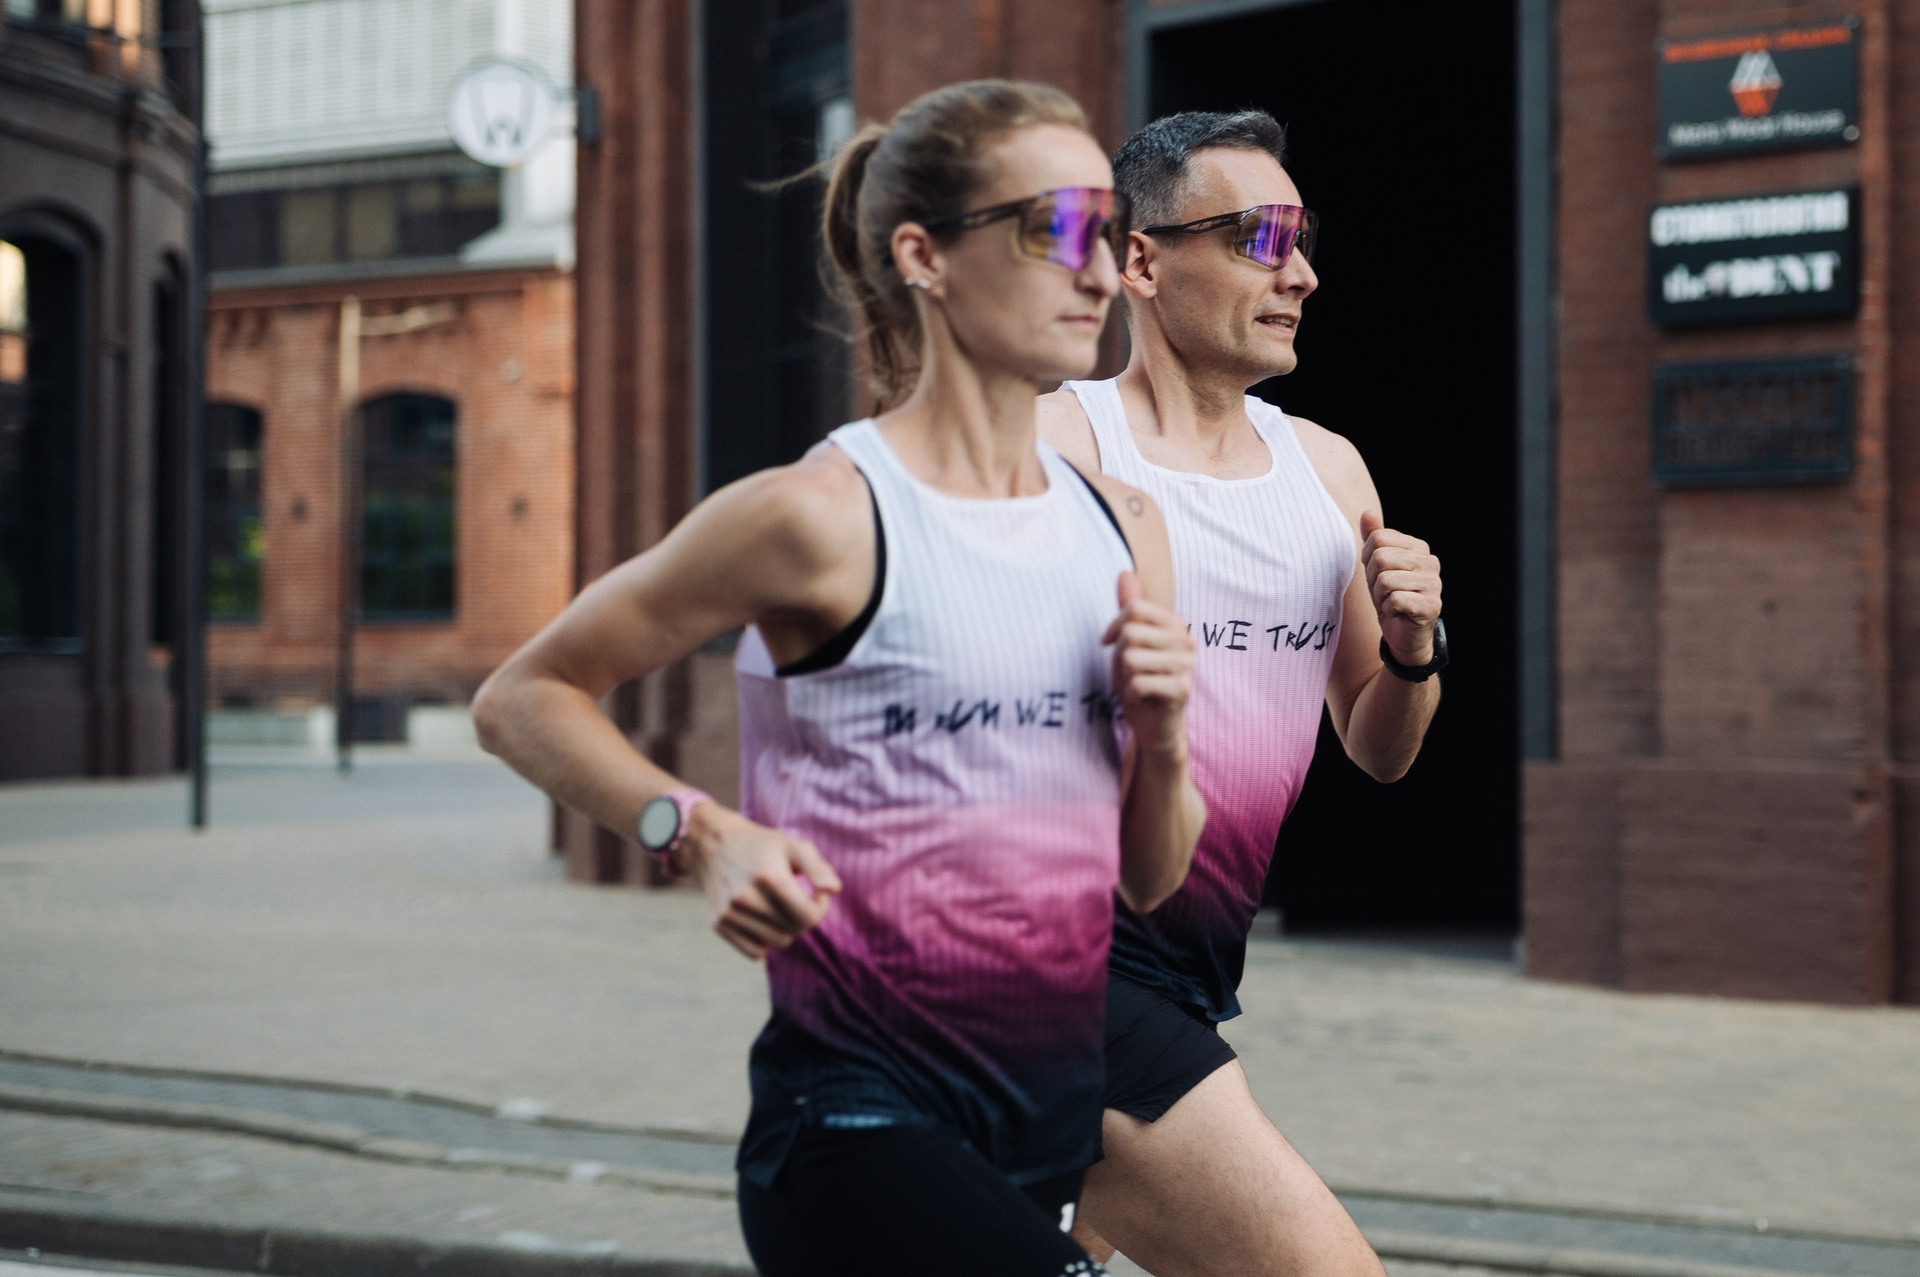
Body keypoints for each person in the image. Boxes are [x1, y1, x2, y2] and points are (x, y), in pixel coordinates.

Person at [473, 80, 1206, 1277]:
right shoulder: (819, 516)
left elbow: (1151, 877)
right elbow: (522, 696)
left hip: (1040, 1135)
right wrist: (699, 832)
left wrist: (1163, 738)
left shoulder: (1122, 528)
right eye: (1057, 226)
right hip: (851, 1128)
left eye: (1109, 229)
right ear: (924, 255)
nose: (1099, 269)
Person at [1036, 110, 1445, 1276]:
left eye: (1303, 238)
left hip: (1194, 967)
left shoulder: (1328, 469)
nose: (1300, 272)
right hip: (1062, 967)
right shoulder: (1056, 444)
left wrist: (1414, 644)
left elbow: (1379, 744)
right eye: (1262, 236)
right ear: (1142, 259)